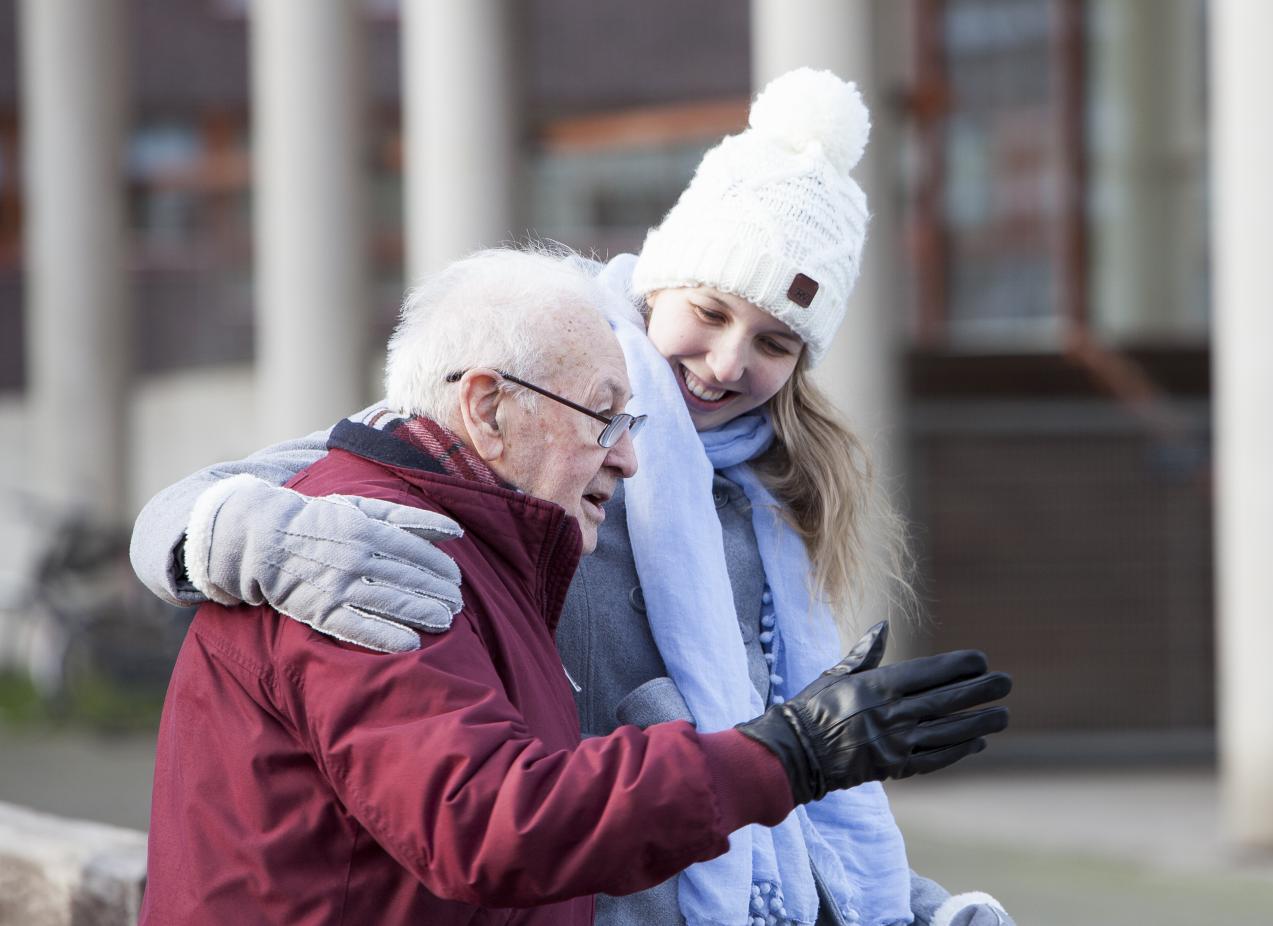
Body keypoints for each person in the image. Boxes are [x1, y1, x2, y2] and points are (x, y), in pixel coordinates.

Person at [130, 70, 1015, 926]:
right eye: (708, 312)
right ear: (652, 288)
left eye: (776, 342)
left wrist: (913, 907)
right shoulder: (492, 434)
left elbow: (775, 792)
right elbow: (232, 500)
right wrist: (280, 545)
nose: (728, 361)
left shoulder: (764, 506)